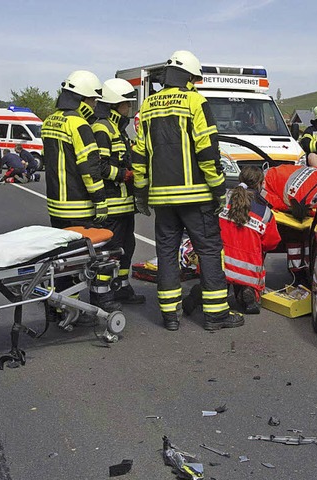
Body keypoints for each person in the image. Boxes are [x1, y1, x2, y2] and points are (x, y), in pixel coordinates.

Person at [131, 49, 244, 331]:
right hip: (196, 197)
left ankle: (170, 315)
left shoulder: (148, 106)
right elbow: (207, 150)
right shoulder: (195, 101)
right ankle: (216, 315)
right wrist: (219, 190)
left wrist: (141, 193)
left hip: (163, 199)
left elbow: (140, 154)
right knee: (209, 252)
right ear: (190, 77)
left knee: (167, 253)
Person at [42, 70, 119, 312]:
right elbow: (90, 169)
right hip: (78, 206)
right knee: (80, 262)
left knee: (60, 259)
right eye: (93, 100)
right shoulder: (79, 125)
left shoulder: (49, 121)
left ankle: (58, 308)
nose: (95, 105)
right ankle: (77, 310)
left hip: (56, 205)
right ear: (83, 99)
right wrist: (101, 201)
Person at [92, 78, 145, 305]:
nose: (128, 109)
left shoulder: (118, 129)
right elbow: (100, 167)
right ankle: (101, 295)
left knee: (127, 247)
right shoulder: (102, 128)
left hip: (124, 204)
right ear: (115, 105)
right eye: (126, 105)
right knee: (110, 251)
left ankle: (122, 288)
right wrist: (126, 175)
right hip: (111, 203)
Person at [218, 167, 282, 314]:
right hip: (248, 272)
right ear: (260, 184)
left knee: (217, 283)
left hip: (220, 264)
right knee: (255, 263)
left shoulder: (225, 198)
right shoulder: (265, 212)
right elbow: (272, 242)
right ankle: (249, 293)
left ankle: (217, 290)